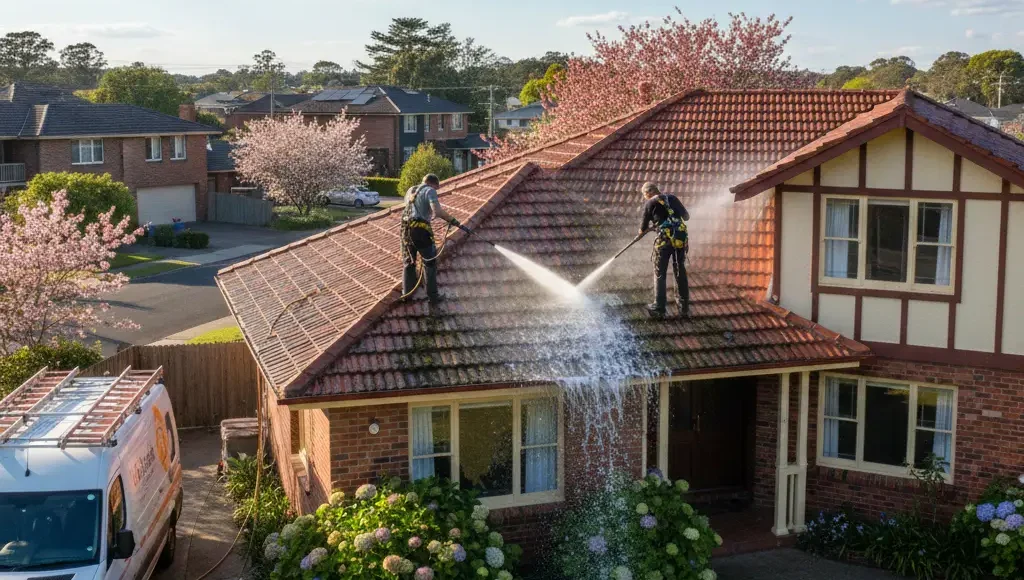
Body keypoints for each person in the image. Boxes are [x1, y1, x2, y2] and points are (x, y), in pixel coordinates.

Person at [401, 174, 460, 303]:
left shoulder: (410, 190)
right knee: (430, 262)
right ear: (433, 184)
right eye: (437, 188)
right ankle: (433, 296)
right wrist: (453, 220)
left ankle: (407, 295)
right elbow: (437, 211)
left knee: (409, 262)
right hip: (421, 231)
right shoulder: (430, 190)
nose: (436, 191)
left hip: (406, 230)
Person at [638, 182, 690, 317]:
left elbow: (642, 229)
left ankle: (659, 307)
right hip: (680, 240)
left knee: (659, 272)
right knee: (679, 269)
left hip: (664, 242)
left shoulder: (650, 203)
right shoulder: (672, 198)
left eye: (644, 195)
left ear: (647, 193)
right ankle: (683, 307)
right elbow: (686, 217)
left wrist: (649, 228)